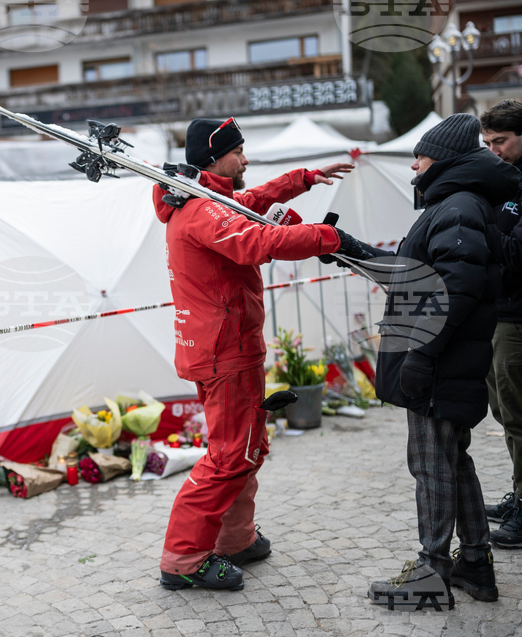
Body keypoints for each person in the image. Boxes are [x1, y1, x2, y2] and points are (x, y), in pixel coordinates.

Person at [155, 116, 371, 591]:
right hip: (224, 350)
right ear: (215, 159)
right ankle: (184, 559)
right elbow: (258, 240)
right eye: (238, 152)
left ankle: (234, 539)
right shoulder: (201, 212)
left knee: (244, 449)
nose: (245, 159)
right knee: (231, 456)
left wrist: (304, 180)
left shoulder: (207, 200)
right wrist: (327, 238)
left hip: (224, 345)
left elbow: (249, 205)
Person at [368, 113, 519, 609]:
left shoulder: (457, 205)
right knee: (454, 462)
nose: (414, 165)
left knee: (431, 465)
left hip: (440, 362)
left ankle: (431, 572)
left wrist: (421, 355)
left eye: (421, 155)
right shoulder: (460, 203)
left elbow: (454, 290)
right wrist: (348, 250)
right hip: (446, 359)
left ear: (445, 159)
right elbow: (421, 273)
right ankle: (475, 563)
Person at [480, 99, 522, 549]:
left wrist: (477, 227)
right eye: (487, 143)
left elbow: (519, 254)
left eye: (501, 141)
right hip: (503, 311)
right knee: (506, 413)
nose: (493, 150)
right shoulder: (507, 180)